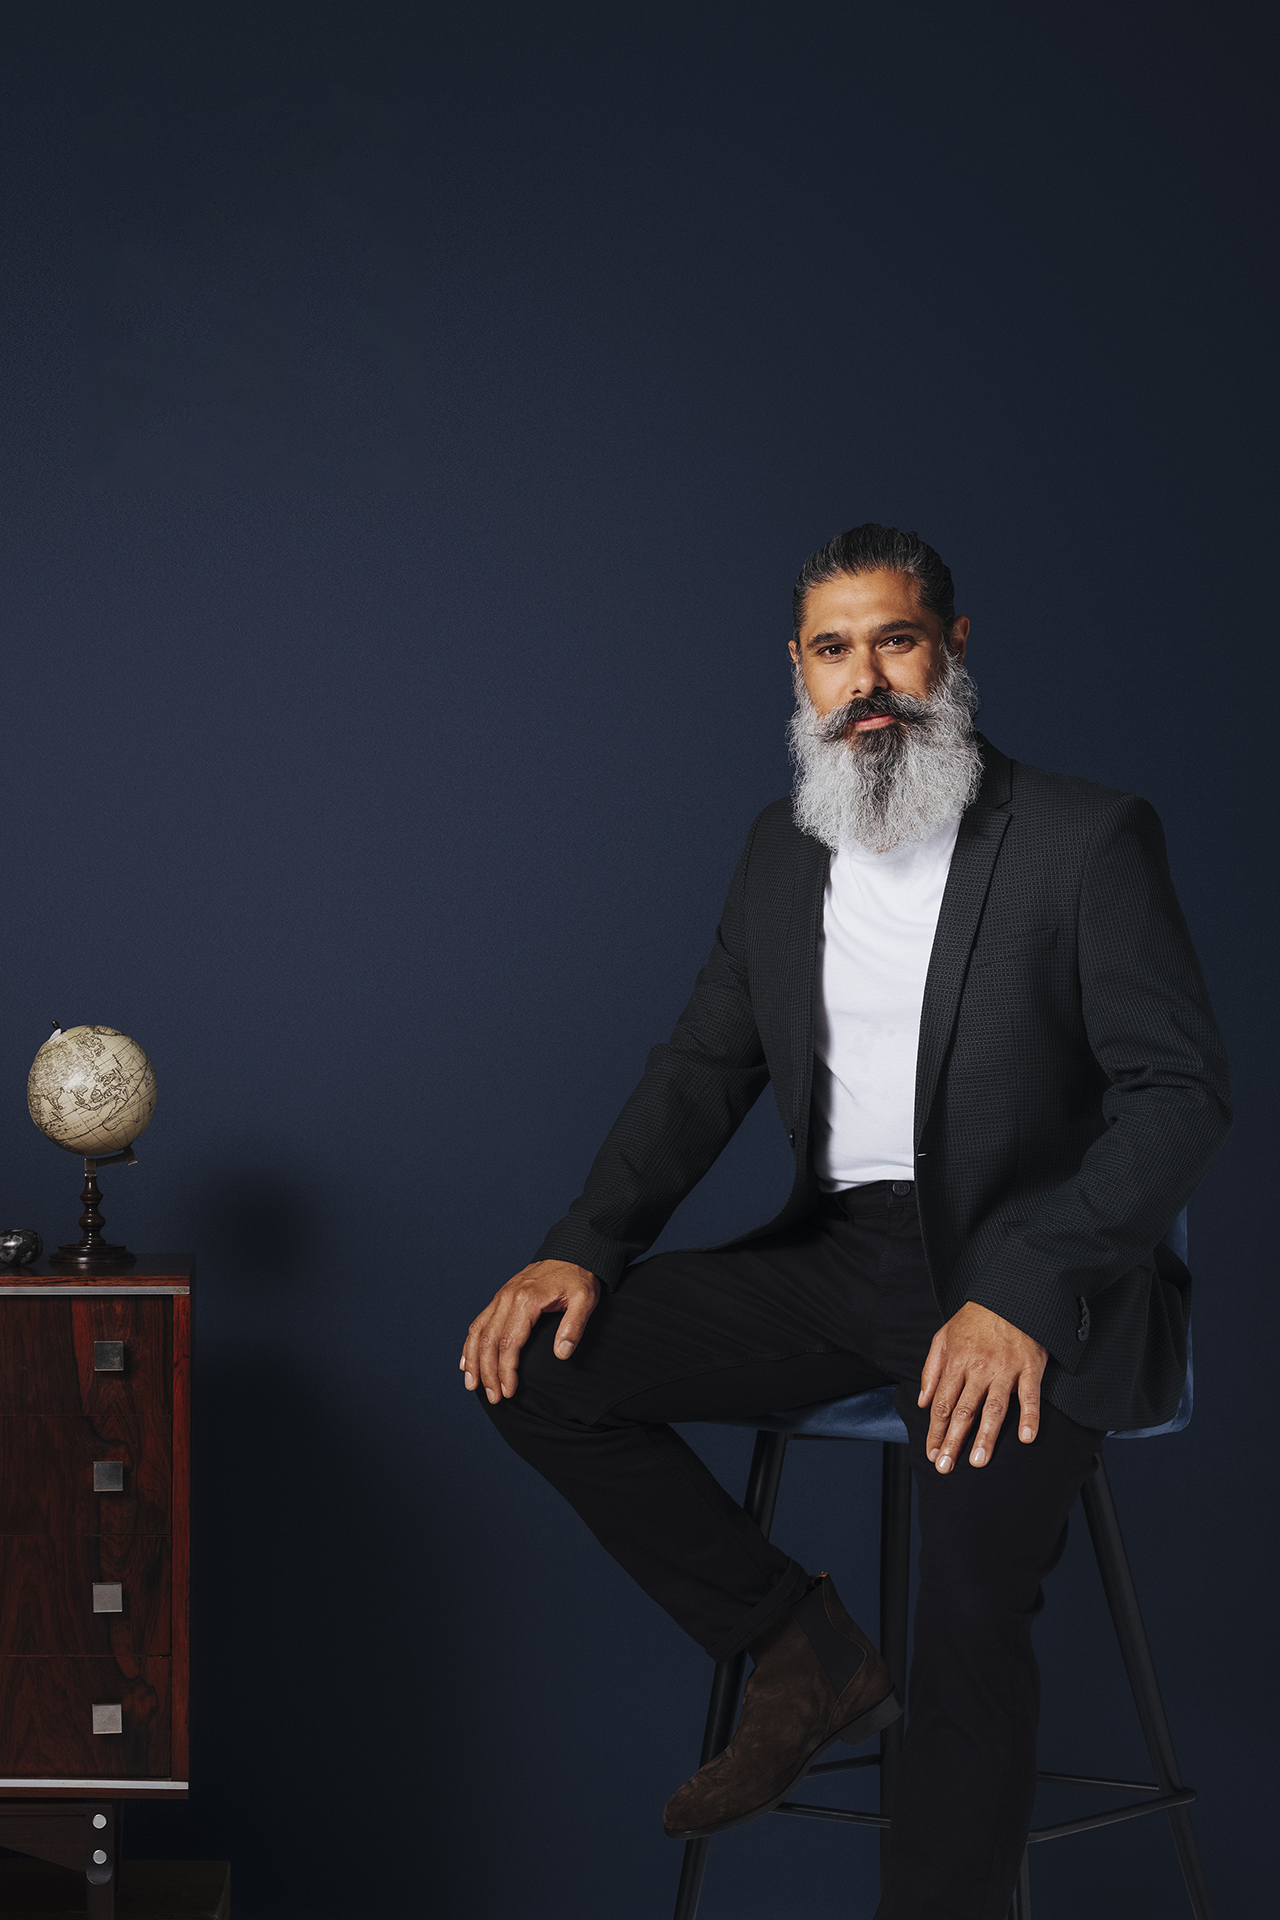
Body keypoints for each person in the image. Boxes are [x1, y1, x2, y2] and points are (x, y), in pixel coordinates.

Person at [460, 523, 1230, 1919]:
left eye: (896, 640)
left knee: (970, 1624)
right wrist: (580, 1243)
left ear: (951, 650)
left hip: (1025, 1282)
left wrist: (1025, 1290)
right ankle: (799, 1648)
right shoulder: (778, 849)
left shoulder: (1083, 836)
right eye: (835, 649)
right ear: (802, 674)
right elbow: (701, 1071)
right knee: (540, 1368)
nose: (866, 677)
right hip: (839, 1263)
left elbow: (1180, 1098)